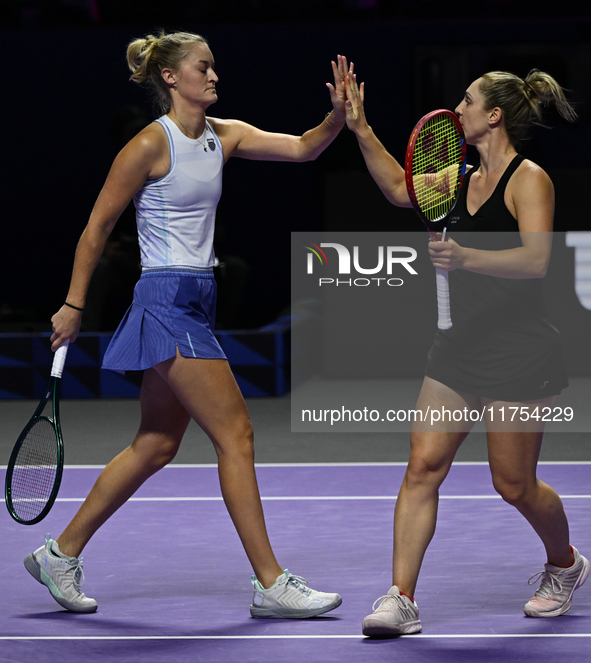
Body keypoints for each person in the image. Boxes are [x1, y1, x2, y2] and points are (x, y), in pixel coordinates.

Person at [24, 31, 351, 619]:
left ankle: (59, 552)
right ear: (171, 77)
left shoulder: (224, 136)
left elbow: (303, 148)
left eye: (215, 67)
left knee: (156, 444)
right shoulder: (150, 144)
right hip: (166, 298)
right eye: (204, 67)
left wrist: (337, 118)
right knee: (237, 436)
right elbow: (97, 227)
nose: (215, 76)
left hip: (200, 296)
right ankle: (271, 583)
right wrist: (73, 305)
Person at [343, 68, 589, 636]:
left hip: (521, 353)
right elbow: (399, 189)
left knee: (514, 484)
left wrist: (466, 259)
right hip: (457, 348)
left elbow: (536, 261)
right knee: (423, 466)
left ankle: (566, 564)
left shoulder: (530, 181)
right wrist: (360, 128)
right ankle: (401, 598)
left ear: (494, 115)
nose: (458, 110)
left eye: (468, 101)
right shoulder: (452, 176)